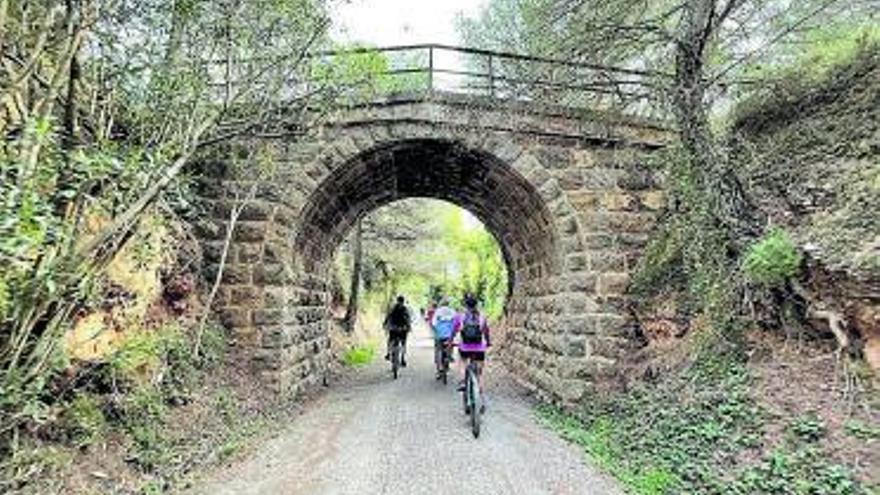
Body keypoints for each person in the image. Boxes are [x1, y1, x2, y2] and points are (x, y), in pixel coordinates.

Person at [450, 295, 490, 402]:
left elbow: (453, 331)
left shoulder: (460, 316)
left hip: (465, 348)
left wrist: (450, 341)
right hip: (480, 348)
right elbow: (486, 332)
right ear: (476, 304)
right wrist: (488, 343)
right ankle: (480, 391)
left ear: (465, 305)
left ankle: (463, 380)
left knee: (462, 361)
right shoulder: (482, 317)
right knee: (479, 371)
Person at [430, 297, 456, 378]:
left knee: (438, 350)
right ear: (448, 304)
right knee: (449, 346)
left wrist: (435, 331)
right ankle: (449, 358)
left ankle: (439, 370)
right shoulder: (452, 311)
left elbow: (433, 323)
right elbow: (456, 322)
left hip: (439, 334)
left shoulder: (438, 311)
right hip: (449, 335)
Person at [383, 295, 411, 367]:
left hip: (395, 328)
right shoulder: (405, 309)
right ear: (403, 301)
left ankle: (389, 354)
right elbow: (408, 319)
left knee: (390, 341)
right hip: (401, 328)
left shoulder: (393, 308)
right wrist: (408, 327)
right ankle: (402, 359)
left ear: (397, 300)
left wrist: (385, 324)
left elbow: (388, 317)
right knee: (403, 343)